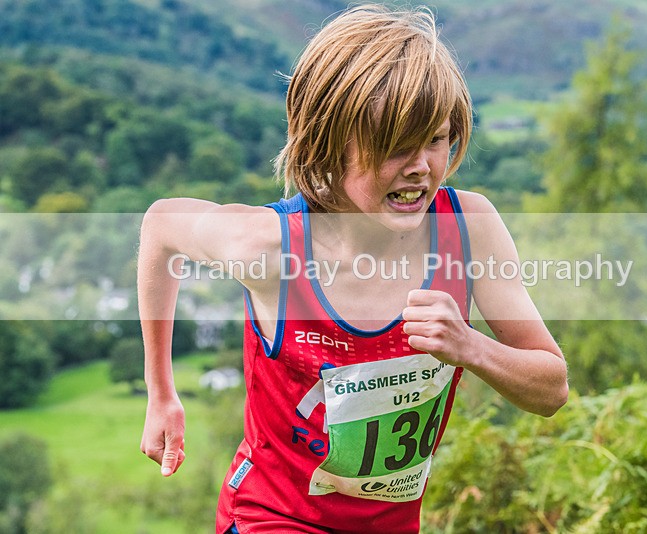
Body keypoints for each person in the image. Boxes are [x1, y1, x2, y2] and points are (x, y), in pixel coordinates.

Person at [138, 4, 568, 533]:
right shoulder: (266, 247)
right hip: (272, 518)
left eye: (435, 139)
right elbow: (161, 227)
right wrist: (162, 394)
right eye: (394, 148)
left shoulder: (468, 227)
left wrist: (471, 347)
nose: (420, 166)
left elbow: (551, 389)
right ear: (330, 143)